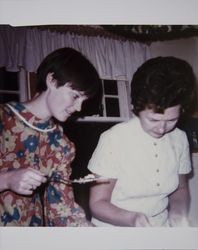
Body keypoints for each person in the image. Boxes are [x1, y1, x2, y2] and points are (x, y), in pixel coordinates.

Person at [88, 56, 196, 227]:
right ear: (135, 109)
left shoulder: (180, 139)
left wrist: (178, 214)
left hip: (159, 230)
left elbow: (180, 189)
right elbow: (98, 203)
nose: (162, 129)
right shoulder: (113, 139)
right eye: (153, 120)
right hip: (116, 231)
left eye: (171, 120)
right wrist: (132, 218)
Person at [0, 47, 102, 226]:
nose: (78, 108)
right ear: (52, 80)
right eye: (75, 96)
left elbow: (61, 208)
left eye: (83, 101)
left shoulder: (62, 144)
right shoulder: (3, 119)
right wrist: (6, 180)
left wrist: (85, 227)